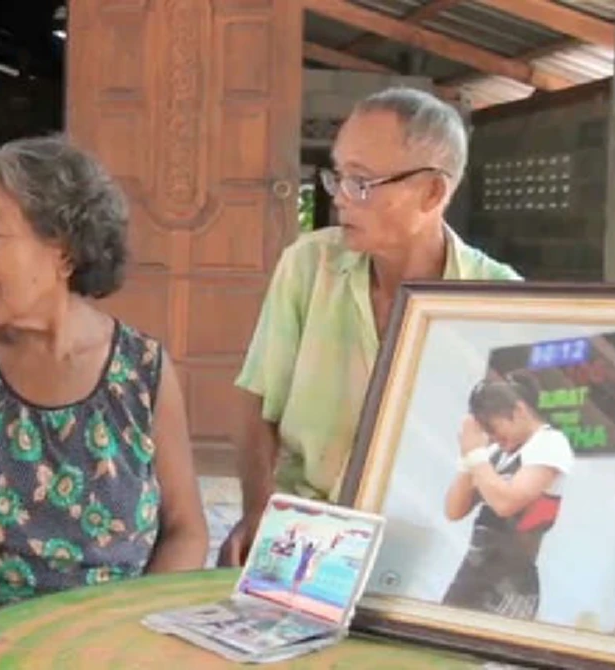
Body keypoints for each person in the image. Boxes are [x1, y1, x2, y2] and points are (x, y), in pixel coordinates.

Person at [0, 135, 209, 664]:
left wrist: (134, 634)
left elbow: (185, 529)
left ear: (65, 251)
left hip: (105, 651)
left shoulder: (144, 370)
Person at [219, 87, 522, 567]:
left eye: (360, 182)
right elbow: (258, 401)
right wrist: (258, 515)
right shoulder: (308, 267)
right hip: (307, 529)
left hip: (428, 545)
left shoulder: (500, 300)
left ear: (432, 192)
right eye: (337, 177)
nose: (340, 198)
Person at [442, 372, 575, 619]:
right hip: (471, 575)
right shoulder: (492, 452)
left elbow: (507, 503)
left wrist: (476, 458)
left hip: (511, 582)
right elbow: (454, 510)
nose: (492, 437)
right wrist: (466, 459)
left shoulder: (550, 443)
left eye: (493, 427)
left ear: (519, 411)